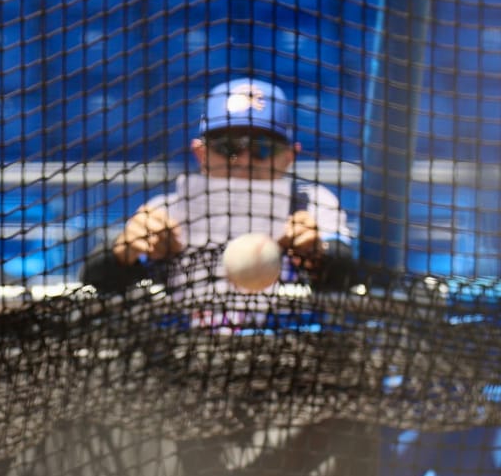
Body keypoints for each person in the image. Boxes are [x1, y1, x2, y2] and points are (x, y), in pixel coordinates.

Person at [80, 77, 357, 321]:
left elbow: (345, 271)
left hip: (291, 348)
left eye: (263, 148)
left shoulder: (313, 203)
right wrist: (123, 252)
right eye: (228, 147)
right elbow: (96, 280)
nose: (244, 159)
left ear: (289, 156)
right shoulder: (167, 211)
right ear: (201, 153)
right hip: (191, 353)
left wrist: (317, 252)